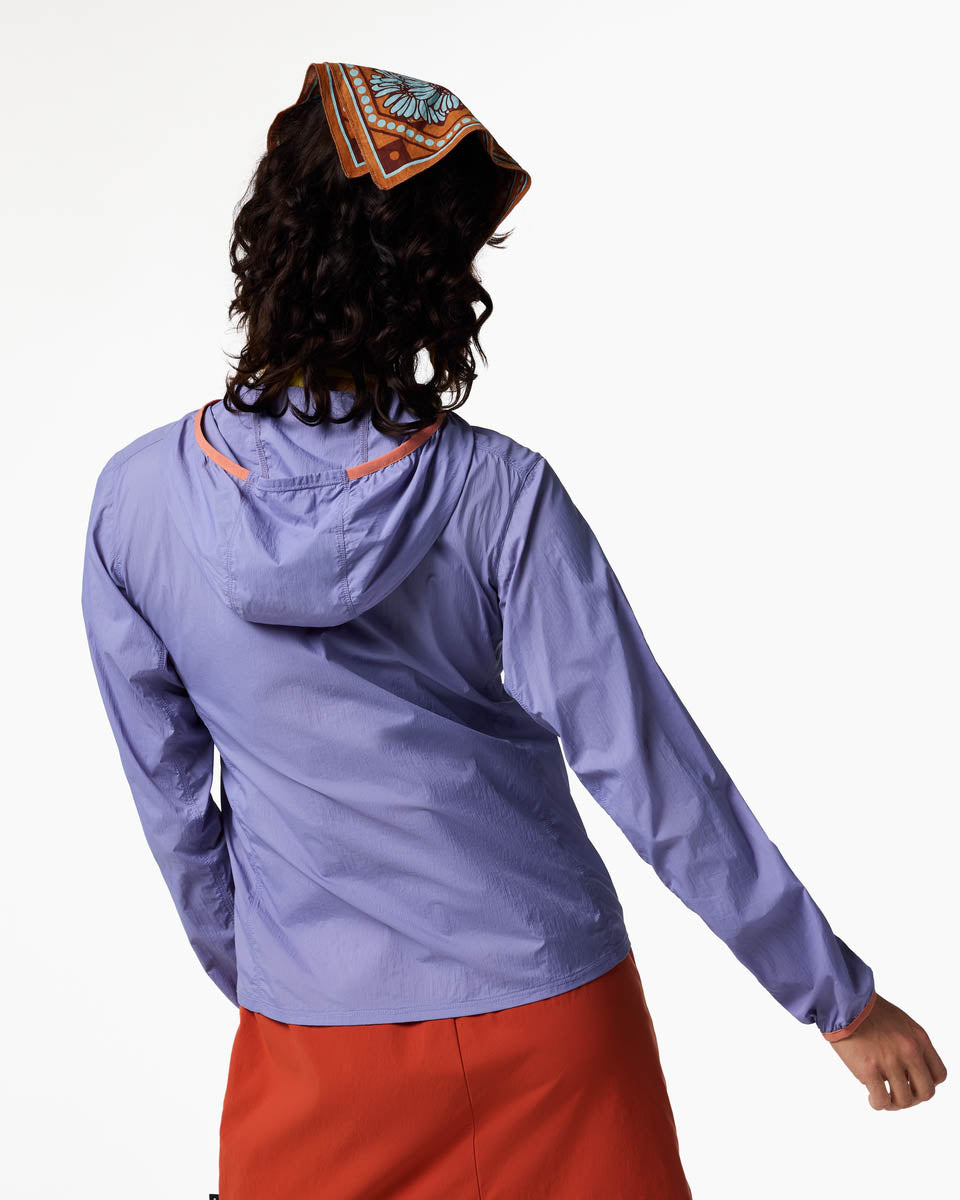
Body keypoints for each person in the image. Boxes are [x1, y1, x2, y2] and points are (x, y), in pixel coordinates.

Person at [80, 62, 946, 1199]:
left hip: (315, 1060)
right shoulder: (499, 494)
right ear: (428, 280)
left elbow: (174, 808)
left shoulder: (137, 501)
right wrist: (837, 999)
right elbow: (652, 771)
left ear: (274, 239)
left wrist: (283, 981)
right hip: (552, 1027)